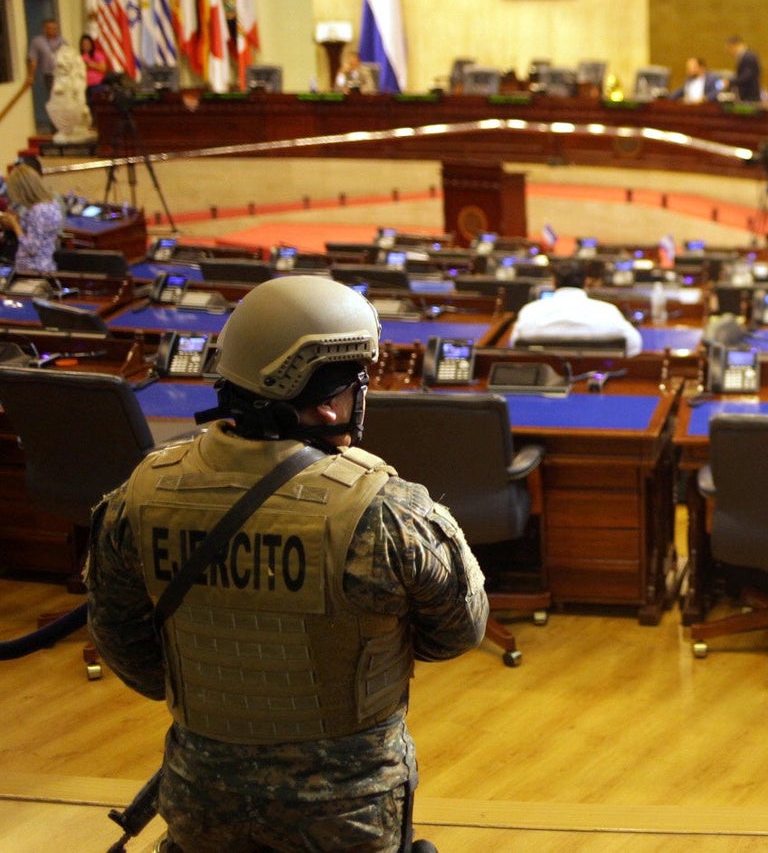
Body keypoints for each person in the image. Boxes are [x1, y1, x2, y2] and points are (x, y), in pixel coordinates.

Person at [85, 276, 488, 853]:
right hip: (347, 814)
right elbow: (457, 633)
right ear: (327, 403)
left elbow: (125, 646)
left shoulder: (140, 495)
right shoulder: (387, 512)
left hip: (202, 806)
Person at [511, 259, 643, 354]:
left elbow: (515, 345)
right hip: (596, 383)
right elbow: (634, 345)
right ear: (586, 282)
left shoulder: (531, 311)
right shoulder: (608, 311)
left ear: (553, 282)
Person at [0, 164, 63, 273]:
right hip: (46, 264)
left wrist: (15, 225)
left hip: (33, 270)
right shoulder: (52, 203)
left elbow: (32, 248)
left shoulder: (37, 210)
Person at [25, 18, 65, 135]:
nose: (54, 30)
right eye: (51, 28)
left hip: (63, 75)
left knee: (64, 101)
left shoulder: (62, 41)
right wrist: (31, 75)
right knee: (54, 101)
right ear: (45, 29)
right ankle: (55, 128)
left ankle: (65, 126)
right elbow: (33, 59)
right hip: (50, 75)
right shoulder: (37, 41)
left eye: (55, 28)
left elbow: (69, 55)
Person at [726, 35, 762, 103]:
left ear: (734, 45)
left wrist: (730, 82)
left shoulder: (749, 56)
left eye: (730, 48)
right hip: (746, 95)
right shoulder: (744, 56)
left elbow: (747, 76)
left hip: (750, 95)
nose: (729, 52)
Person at [79, 33, 109, 99]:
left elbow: (104, 68)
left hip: (97, 85)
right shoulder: (79, 57)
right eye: (83, 44)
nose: (85, 46)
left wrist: (91, 65)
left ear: (91, 44)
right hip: (84, 85)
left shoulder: (97, 54)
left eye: (87, 43)